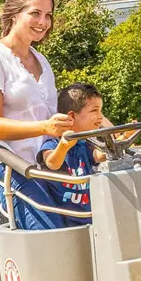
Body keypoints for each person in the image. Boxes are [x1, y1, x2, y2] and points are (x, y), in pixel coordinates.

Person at [0, 0, 73, 231]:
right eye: (35, 13)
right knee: (52, 236)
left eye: (48, 15)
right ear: (14, 15)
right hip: (15, 167)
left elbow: (53, 117)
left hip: (48, 164)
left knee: (82, 226)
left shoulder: (42, 60)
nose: (43, 22)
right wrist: (45, 128)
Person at [38, 83, 108, 226]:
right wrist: (63, 146)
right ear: (71, 116)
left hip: (89, 216)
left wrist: (121, 141)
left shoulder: (84, 144)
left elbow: (99, 155)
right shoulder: (52, 144)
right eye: (95, 110)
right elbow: (52, 162)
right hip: (68, 220)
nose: (100, 117)